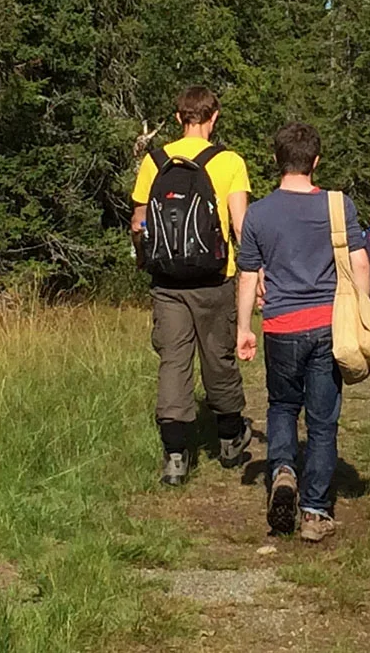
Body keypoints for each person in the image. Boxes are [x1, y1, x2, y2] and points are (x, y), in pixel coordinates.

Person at [235, 122, 370, 543]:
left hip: (279, 327)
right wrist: (362, 315)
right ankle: (314, 511)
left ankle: (283, 471)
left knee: (281, 408)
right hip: (327, 326)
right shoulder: (337, 205)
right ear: (315, 161)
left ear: (277, 161)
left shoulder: (258, 213)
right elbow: (361, 263)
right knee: (323, 421)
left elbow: (246, 277)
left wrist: (244, 328)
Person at [131, 86, 253, 487]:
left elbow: (138, 223)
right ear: (213, 116)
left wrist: (147, 260)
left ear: (179, 115)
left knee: (173, 361)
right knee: (218, 359)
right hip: (216, 278)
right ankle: (230, 439)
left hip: (167, 282)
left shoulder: (155, 161)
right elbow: (239, 226)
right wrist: (257, 273)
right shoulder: (230, 162)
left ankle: (175, 458)